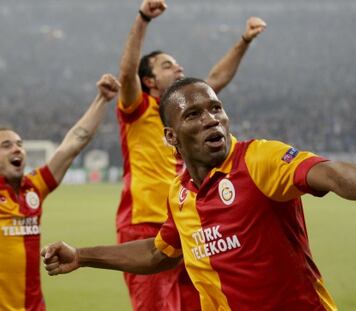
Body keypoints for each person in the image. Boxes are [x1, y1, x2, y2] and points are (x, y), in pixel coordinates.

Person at [43, 78, 356, 310]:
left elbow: (326, 172)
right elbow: (159, 253)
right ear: (171, 137)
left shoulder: (258, 159)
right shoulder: (181, 194)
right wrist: (82, 255)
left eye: (216, 109)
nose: (210, 120)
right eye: (193, 115)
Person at [115, 0, 266, 309]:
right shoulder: (138, 108)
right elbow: (127, 70)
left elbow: (217, 79)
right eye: (167, 65)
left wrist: (244, 40)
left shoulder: (187, 113)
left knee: (201, 300)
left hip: (188, 218)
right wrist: (143, 18)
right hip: (145, 223)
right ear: (150, 81)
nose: (179, 68)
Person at [0, 73, 120, 311]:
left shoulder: (33, 187)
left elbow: (73, 144)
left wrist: (101, 100)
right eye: (6, 145)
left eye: (20, 144)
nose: (17, 149)